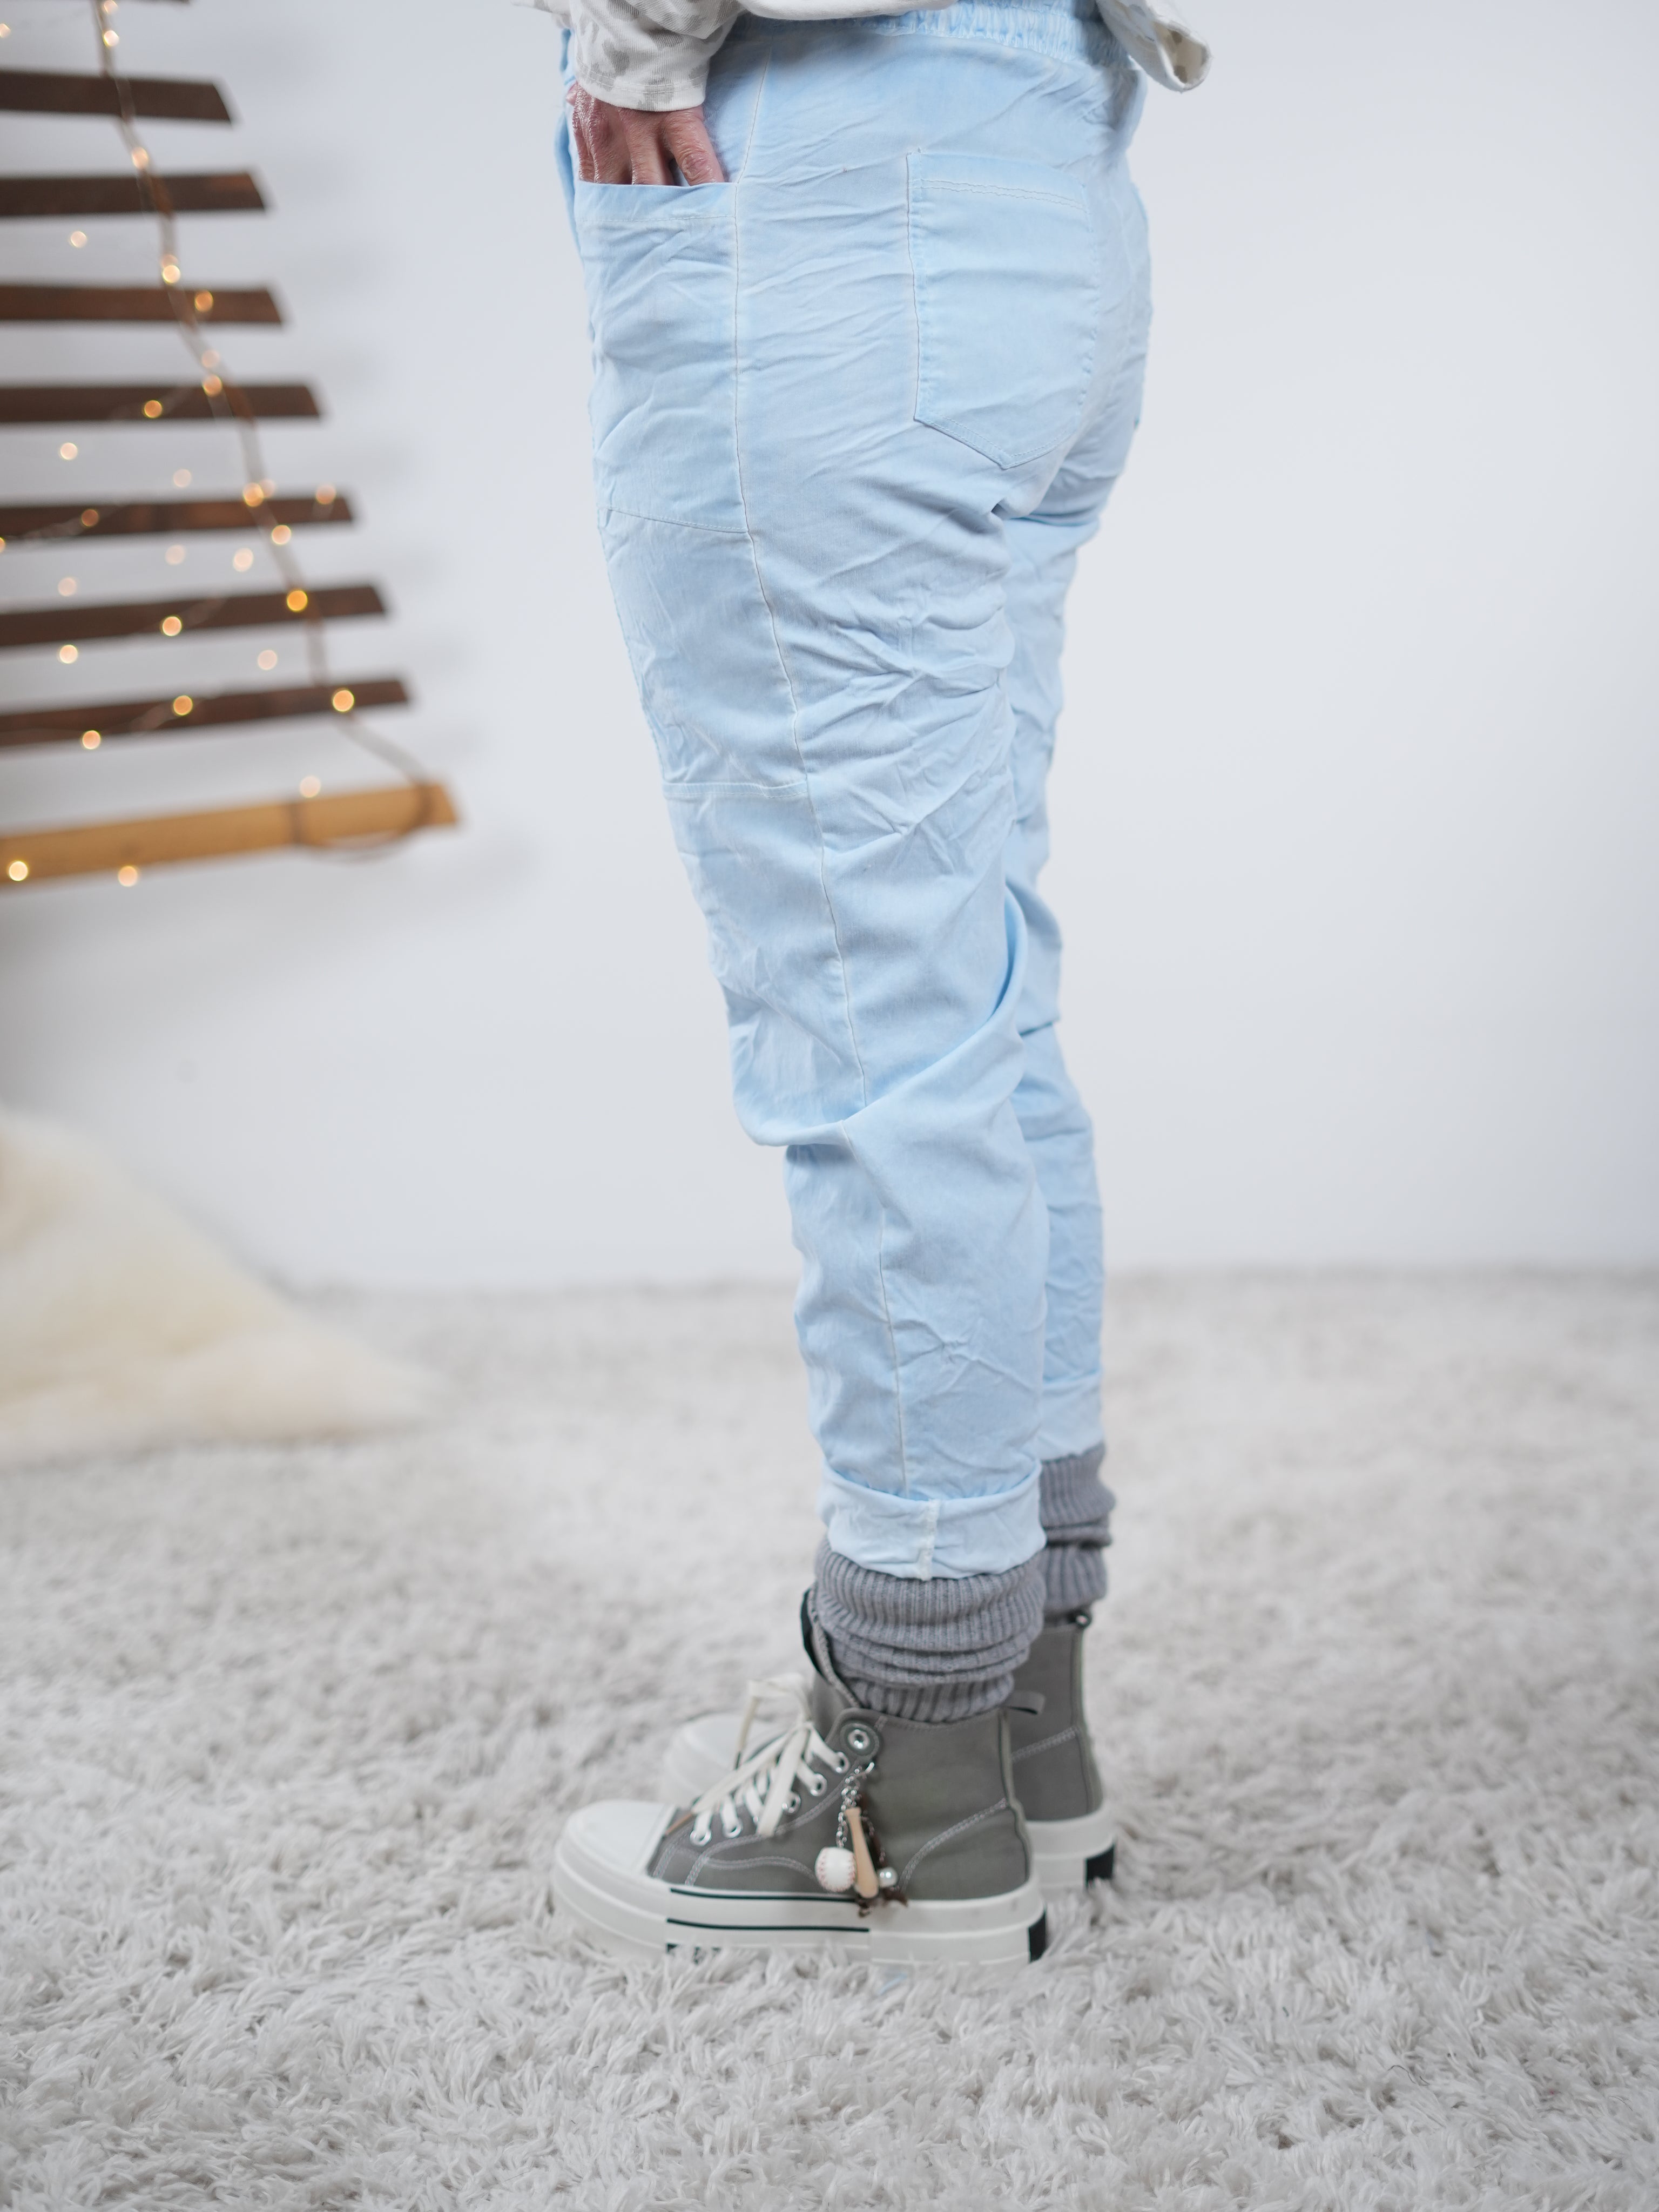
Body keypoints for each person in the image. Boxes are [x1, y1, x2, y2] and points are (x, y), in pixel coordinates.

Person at [547, 0, 1207, 1970]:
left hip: (829, 196)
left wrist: (636, 40)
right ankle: (1019, 1723)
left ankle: (909, 1792)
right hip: (1043, 176)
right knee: (975, 995)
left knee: (879, 1027)